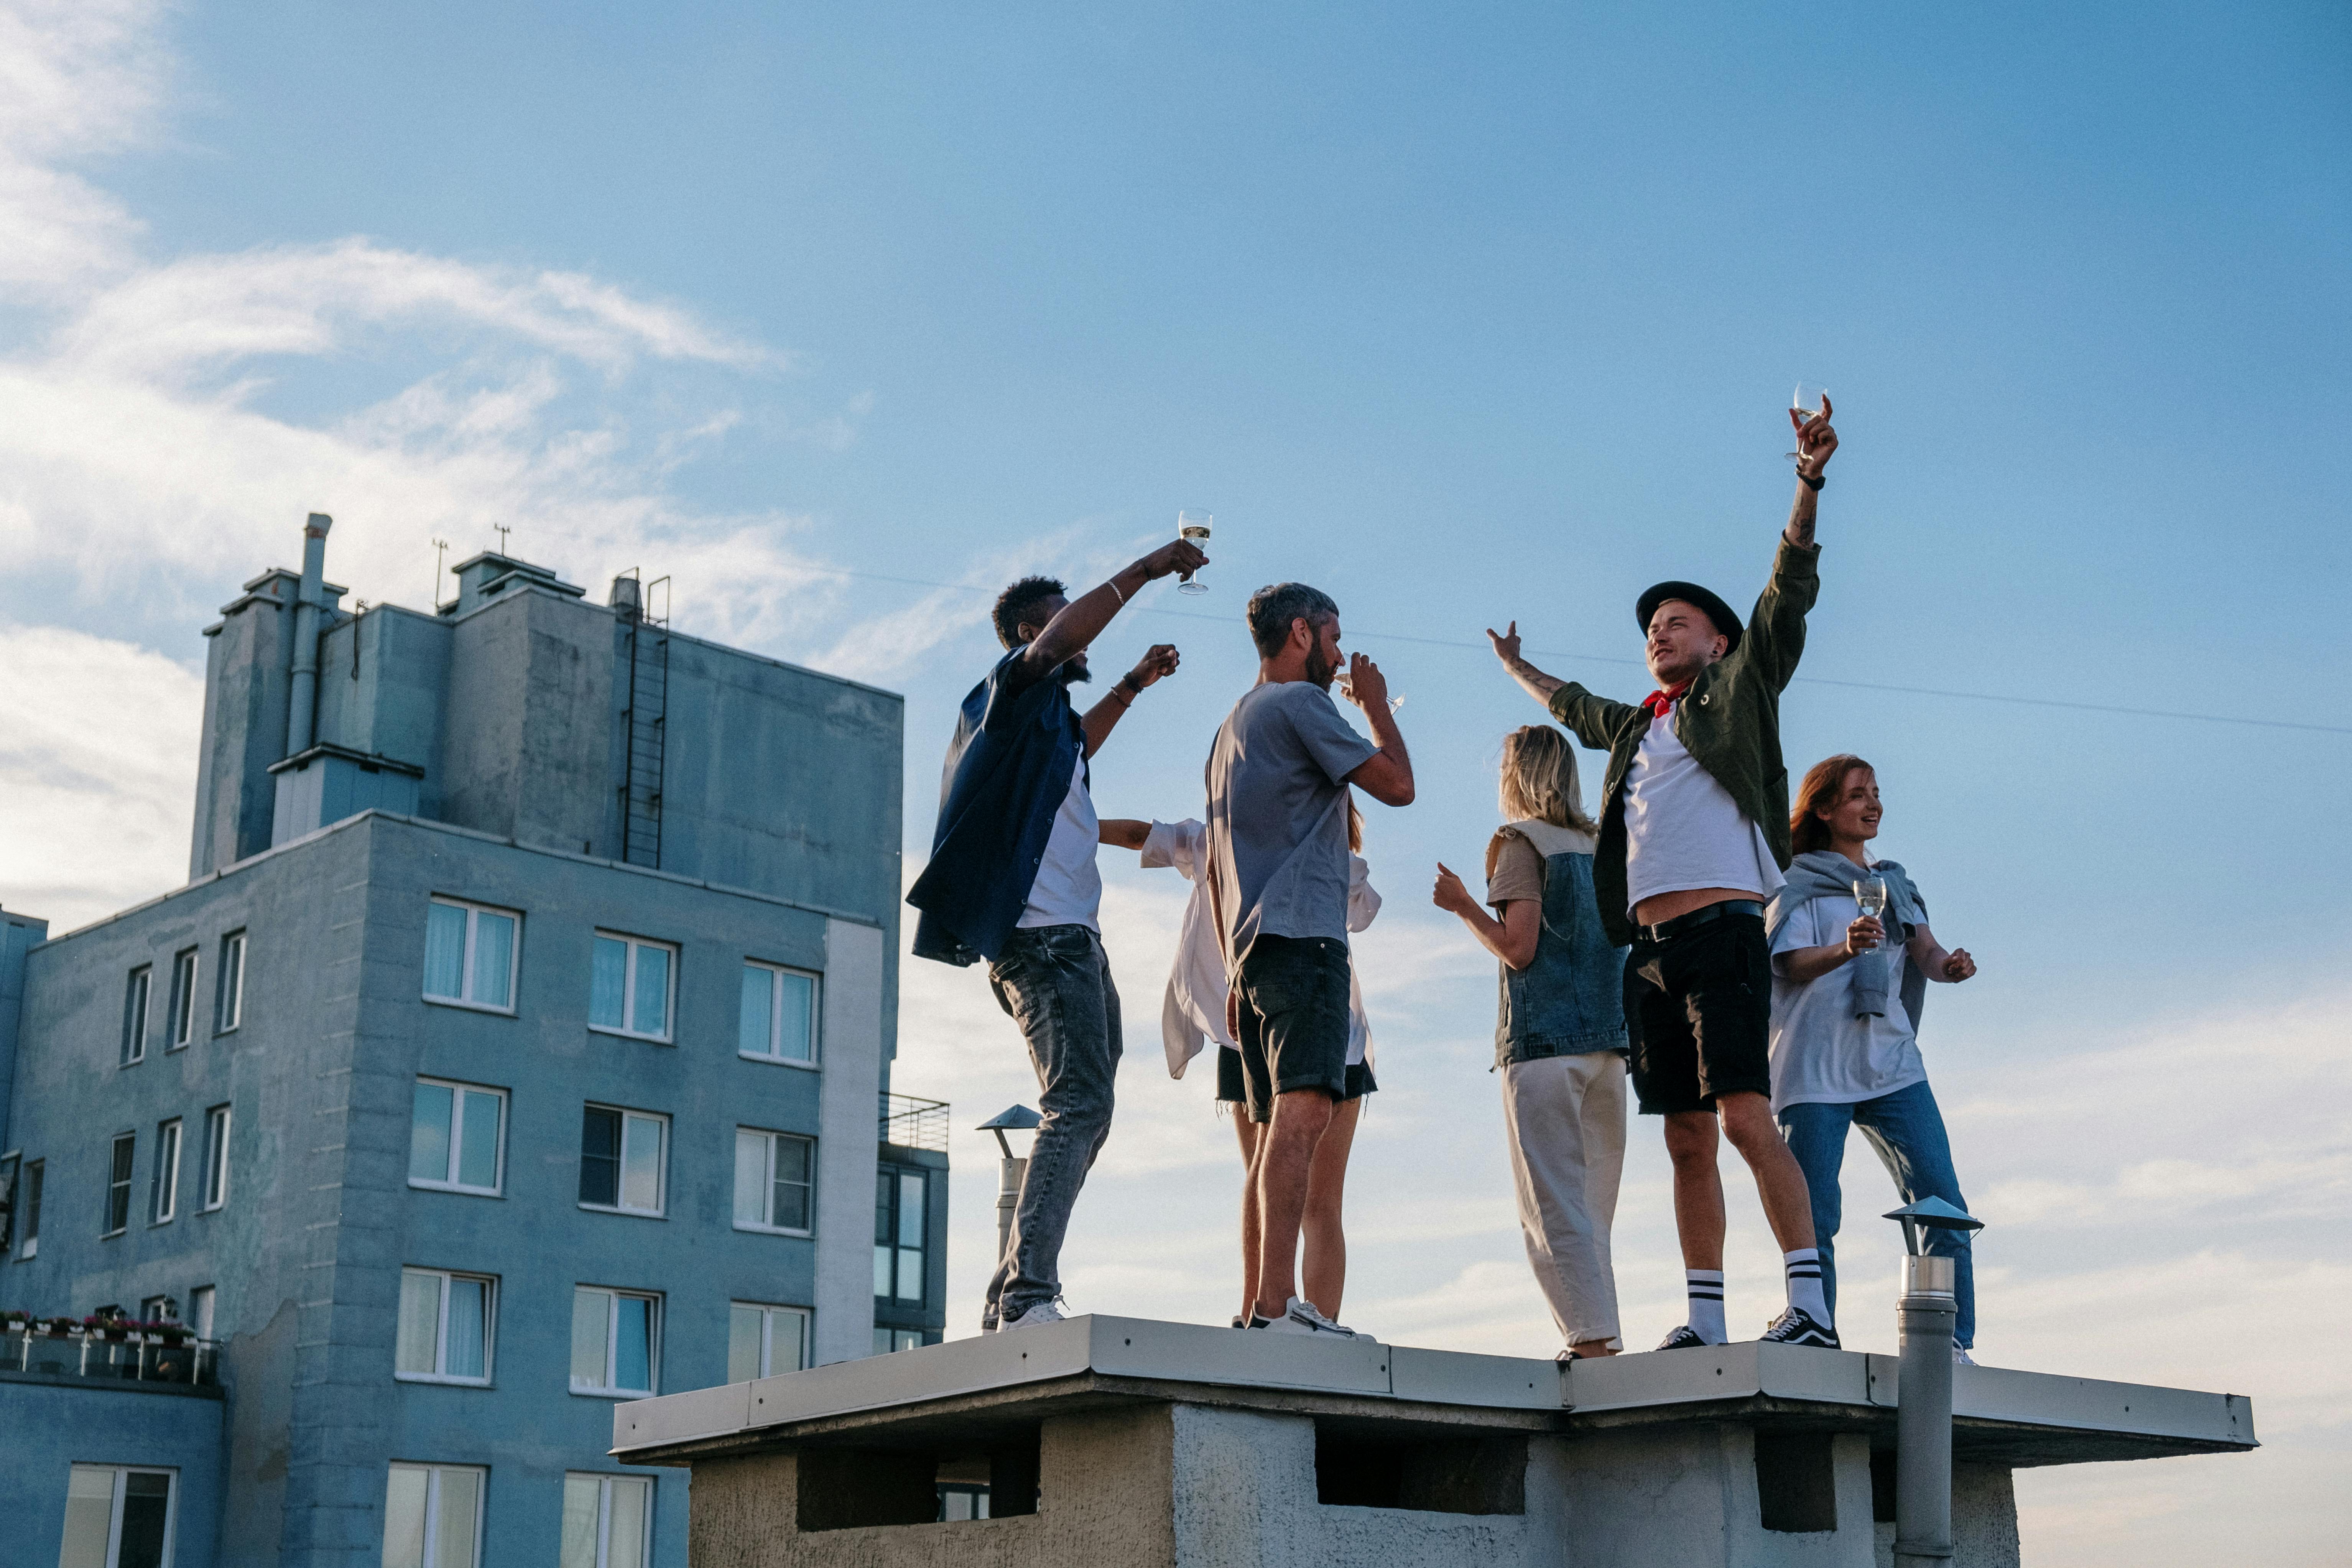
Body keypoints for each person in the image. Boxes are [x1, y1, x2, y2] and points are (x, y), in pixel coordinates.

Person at [1487, 397, 1844, 1350]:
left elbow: (1787, 591)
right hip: (1648, 952)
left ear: (1717, 642)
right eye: (1651, 626)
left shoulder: (1738, 686)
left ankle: (1809, 1307)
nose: (1659, 631)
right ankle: (1707, 1317)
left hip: (1725, 931)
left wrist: (1806, 481)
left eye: (1676, 622)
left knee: (1742, 1117)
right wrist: (1518, 667)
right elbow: (1575, 705)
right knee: (1684, 1135)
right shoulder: (1639, 727)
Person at [906, 535, 1206, 1334]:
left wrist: (1135, 685)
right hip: (1042, 942)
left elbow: (1081, 745)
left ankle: (1013, 1289)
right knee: (1073, 1103)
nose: (1074, 641)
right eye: (1052, 628)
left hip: (1074, 938)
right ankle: (1026, 1296)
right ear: (1025, 639)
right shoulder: (1007, 694)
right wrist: (1147, 568)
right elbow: (1065, 639)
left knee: (1090, 1107)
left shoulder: (1050, 730)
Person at [1206, 582, 1414, 1338]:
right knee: (1304, 1115)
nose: (1339, 649)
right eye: (1334, 634)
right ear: (1301, 632)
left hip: (1256, 951)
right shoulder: (1300, 705)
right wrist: (1376, 702)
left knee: (1273, 1130)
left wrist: (1233, 967)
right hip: (1304, 939)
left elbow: (1217, 866)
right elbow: (1398, 786)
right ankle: (1276, 1308)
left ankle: (1262, 1306)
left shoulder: (1231, 725)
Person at [1101, 798, 1381, 1327]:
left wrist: (1065, 820)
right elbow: (1361, 910)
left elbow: (1142, 833)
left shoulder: (1216, 838)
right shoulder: (1329, 855)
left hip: (1243, 1029)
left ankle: (1256, 1312)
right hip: (1326, 1031)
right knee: (1321, 1203)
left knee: (1260, 1176)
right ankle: (1315, 1322)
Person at [1768, 755, 1982, 1362]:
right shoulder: (1796, 880)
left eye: (1877, 793)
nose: (1873, 804)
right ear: (1825, 809)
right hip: (1814, 1065)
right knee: (1814, 1212)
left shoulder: (1895, 883)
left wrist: (1951, 968)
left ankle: (1951, 1343)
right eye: (1858, 794)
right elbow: (1786, 962)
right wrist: (1843, 948)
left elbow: (1927, 954)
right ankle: (1816, 1337)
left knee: (1939, 1198)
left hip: (1890, 1063)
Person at [1431, 725, 1628, 1361]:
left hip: (1543, 1046)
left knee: (1551, 1206)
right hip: (1607, 1045)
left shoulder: (1520, 843)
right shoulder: (1603, 846)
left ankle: (1589, 1342)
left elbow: (1518, 948)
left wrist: (1464, 904)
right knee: (1594, 1210)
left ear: (1517, 775)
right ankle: (1605, 1340)